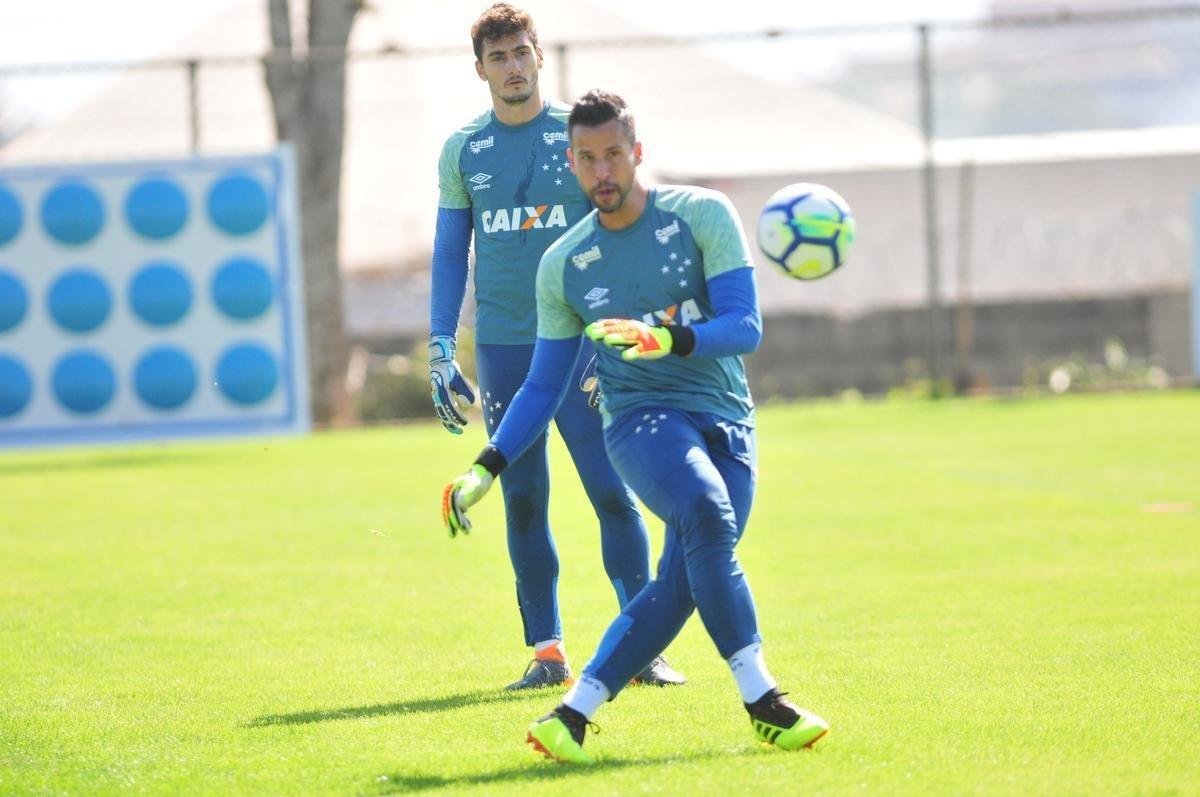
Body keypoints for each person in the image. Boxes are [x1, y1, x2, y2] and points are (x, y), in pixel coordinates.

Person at [441, 89, 830, 761]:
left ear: (637, 153)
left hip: (727, 419)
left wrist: (667, 340)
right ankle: (764, 698)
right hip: (640, 421)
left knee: (682, 576)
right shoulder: (562, 263)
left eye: (613, 155)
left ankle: (573, 713)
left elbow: (745, 325)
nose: (601, 173)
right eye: (587, 159)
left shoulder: (702, 215)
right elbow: (541, 383)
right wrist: (488, 463)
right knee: (706, 514)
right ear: (571, 163)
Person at [430, 4, 684, 690]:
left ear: (540, 57)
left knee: (611, 492)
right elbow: (452, 251)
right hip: (508, 350)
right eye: (498, 57)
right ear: (479, 68)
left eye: (521, 53)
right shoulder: (464, 150)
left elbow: (625, 226)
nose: (512, 67)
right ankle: (547, 653)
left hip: (586, 347)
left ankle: (641, 648)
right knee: (523, 498)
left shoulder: (580, 137)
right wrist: (439, 345)